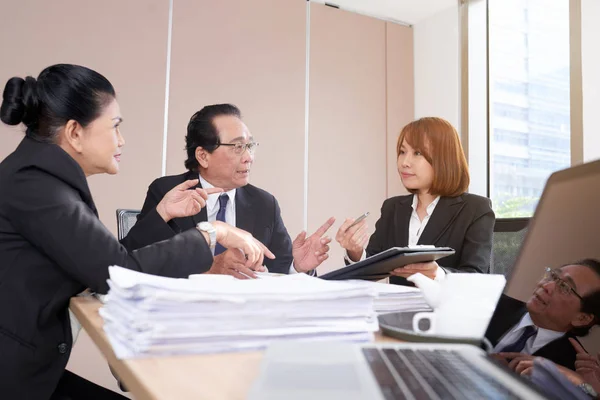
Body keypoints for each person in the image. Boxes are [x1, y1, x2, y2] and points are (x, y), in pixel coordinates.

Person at [0, 64, 273, 399]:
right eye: (115, 127)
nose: (121, 140)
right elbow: (119, 272)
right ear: (74, 133)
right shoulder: (40, 188)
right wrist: (212, 232)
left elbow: (102, 262)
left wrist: (161, 215)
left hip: (29, 367)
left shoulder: (39, 179)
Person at [132, 104, 334, 277]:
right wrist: (208, 269)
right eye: (237, 146)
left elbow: (276, 270)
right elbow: (137, 260)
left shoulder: (264, 204)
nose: (248, 157)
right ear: (203, 156)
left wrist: (296, 266)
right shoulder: (170, 192)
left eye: (250, 145)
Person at [336, 117, 495, 284]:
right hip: (397, 308)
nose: (404, 162)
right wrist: (355, 250)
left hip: (444, 308)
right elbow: (372, 266)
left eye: (417, 153)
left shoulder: (476, 209)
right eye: (402, 152)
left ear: (444, 158)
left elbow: (477, 277)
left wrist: (438, 274)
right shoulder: (393, 208)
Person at [488, 259, 600, 371]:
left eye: (565, 287)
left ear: (582, 318)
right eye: (553, 276)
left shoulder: (572, 369)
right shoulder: (490, 302)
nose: (547, 286)